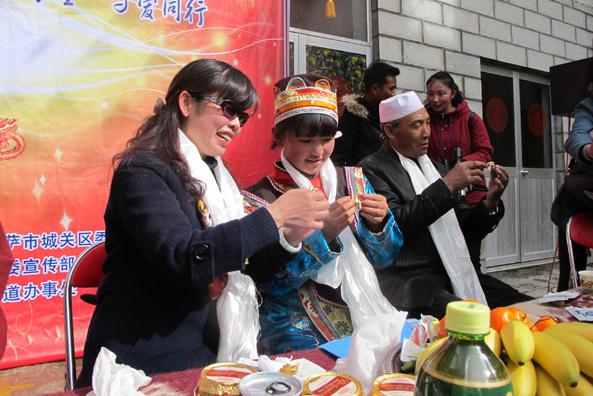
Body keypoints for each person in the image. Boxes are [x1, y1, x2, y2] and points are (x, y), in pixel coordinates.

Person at [76, 59, 330, 387]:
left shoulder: (218, 177)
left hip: (210, 347)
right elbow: (186, 257)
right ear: (185, 103)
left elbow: (246, 266)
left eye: (242, 115)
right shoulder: (142, 171)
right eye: (227, 108)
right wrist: (275, 215)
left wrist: (289, 237)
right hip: (148, 356)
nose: (236, 123)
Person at [243, 75, 404, 354]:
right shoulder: (260, 198)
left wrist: (378, 225)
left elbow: (386, 258)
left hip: (366, 308)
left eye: (327, 139)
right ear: (280, 137)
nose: (318, 151)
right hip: (294, 324)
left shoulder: (352, 180)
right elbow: (267, 283)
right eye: (306, 140)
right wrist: (323, 235)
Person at [360, 91, 530, 319]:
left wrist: (489, 203)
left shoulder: (434, 167)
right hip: (411, 283)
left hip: (453, 272)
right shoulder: (370, 169)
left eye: (428, 123)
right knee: (475, 321)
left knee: (525, 306)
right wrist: (447, 185)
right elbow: (395, 228)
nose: (427, 133)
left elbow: (463, 229)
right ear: (390, 131)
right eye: (416, 125)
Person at [425, 71, 493, 205]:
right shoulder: (424, 120)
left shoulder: (470, 118)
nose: (435, 99)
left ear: (453, 93)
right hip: (437, 193)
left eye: (441, 94)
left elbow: (485, 152)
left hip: (471, 194)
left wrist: (462, 164)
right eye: (430, 94)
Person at [551, 82, 593, 291]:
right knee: (571, 275)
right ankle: (567, 295)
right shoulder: (587, 107)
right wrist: (588, 149)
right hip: (584, 195)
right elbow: (576, 137)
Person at [331, 62, 400, 166]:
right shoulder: (351, 117)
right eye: (391, 89)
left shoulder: (389, 117)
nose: (394, 94)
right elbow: (338, 158)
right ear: (375, 89)